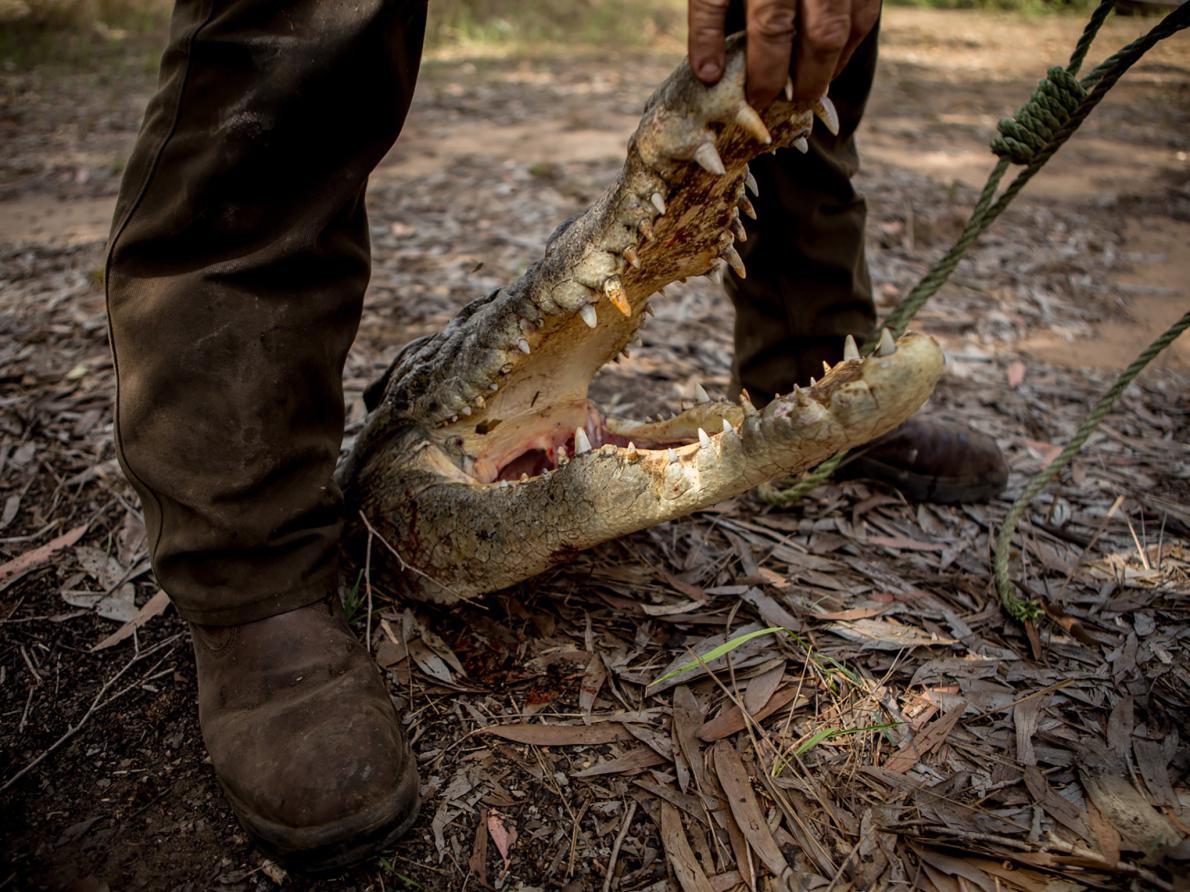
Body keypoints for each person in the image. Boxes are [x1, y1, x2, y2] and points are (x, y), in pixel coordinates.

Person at [104, 0, 1005, 872]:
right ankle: (247, 569)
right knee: (296, 36)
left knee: (783, 57)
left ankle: (809, 353)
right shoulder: (403, 466)